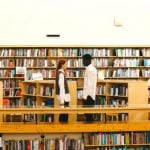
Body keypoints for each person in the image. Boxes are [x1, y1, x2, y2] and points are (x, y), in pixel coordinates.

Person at [82, 54, 97, 122]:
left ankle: (89, 130)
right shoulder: (90, 69)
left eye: (83, 60)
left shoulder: (90, 70)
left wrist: (85, 96)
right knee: (88, 114)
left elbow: (89, 84)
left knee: (88, 115)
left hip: (89, 96)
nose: (82, 62)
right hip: (90, 95)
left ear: (87, 60)